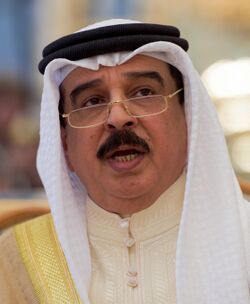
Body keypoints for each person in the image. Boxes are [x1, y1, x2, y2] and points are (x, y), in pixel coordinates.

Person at [0, 18, 250, 304]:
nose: (118, 118)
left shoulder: (245, 241)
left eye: (144, 92)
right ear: (65, 145)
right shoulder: (16, 259)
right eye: (92, 101)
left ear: (189, 122)